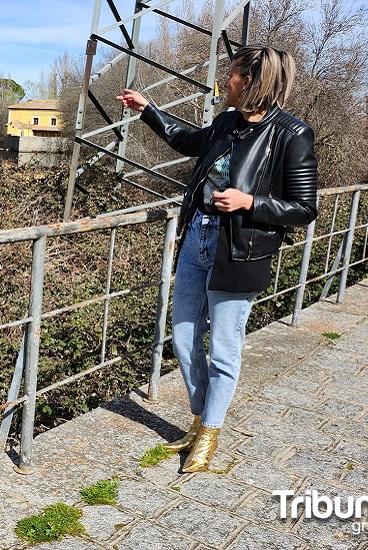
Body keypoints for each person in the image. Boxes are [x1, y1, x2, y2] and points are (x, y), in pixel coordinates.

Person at [117, 45, 318, 472]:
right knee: (184, 338)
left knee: (224, 350)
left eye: (231, 75)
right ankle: (199, 417)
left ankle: (209, 434)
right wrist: (147, 109)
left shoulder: (291, 134)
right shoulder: (227, 123)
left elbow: (304, 208)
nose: (224, 82)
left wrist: (249, 201)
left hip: (240, 251)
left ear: (251, 82)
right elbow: (185, 140)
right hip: (198, 239)